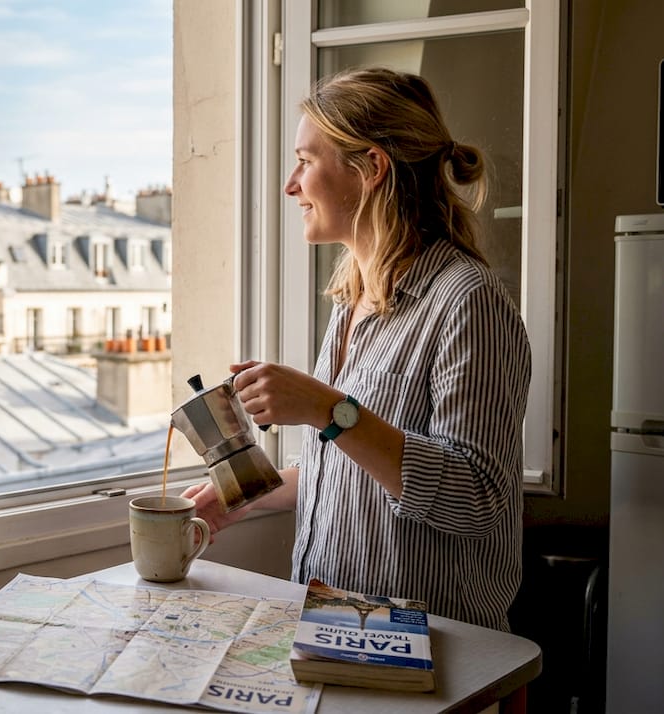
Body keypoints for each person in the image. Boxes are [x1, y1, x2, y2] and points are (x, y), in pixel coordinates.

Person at [182, 67, 531, 632]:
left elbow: (478, 498)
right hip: (336, 630)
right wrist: (242, 495)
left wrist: (326, 409)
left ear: (370, 168)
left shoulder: (469, 303)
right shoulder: (352, 301)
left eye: (305, 160)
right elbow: (350, 469)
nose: (291, 185)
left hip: (433, 648)